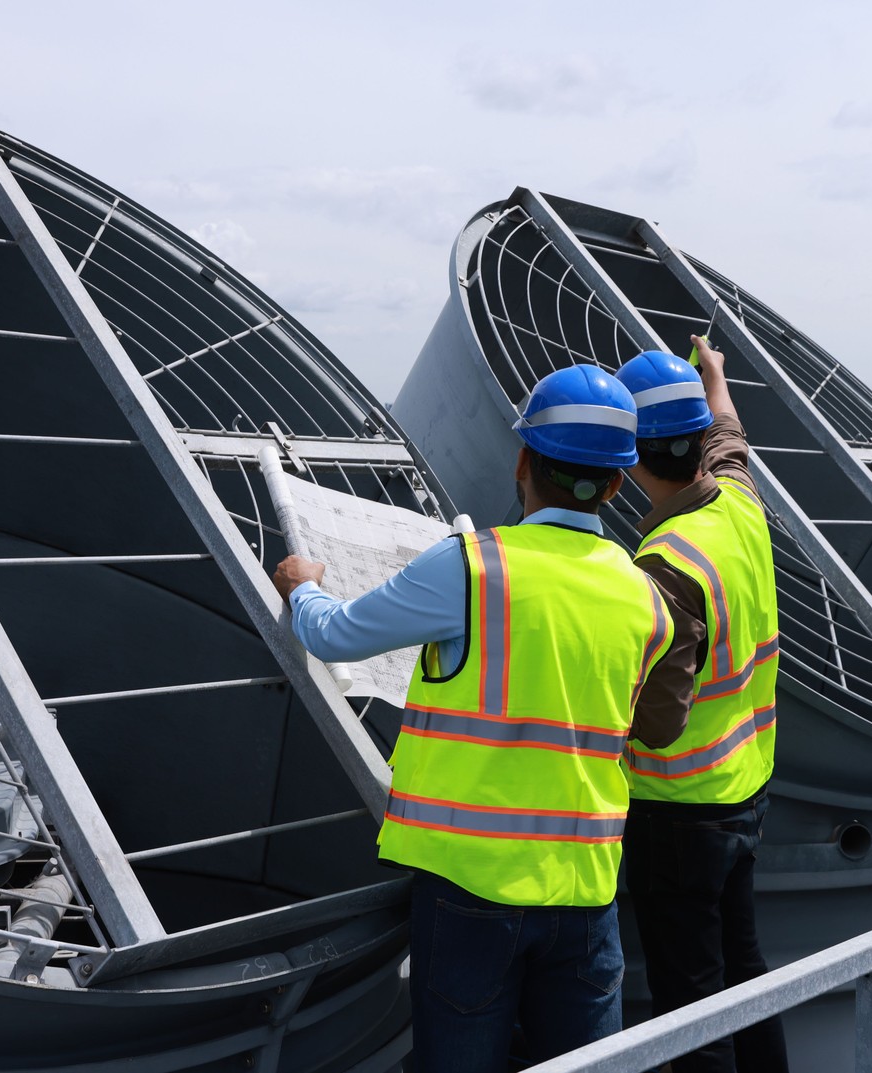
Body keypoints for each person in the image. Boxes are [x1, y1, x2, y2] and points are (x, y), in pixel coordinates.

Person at [270, 363, 700, 1072]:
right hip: (586, 893)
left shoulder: (471, 566)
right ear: (618, 482)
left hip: (469, 890)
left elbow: (334, 636)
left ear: (524, 460)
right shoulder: (646, 594)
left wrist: (302, 587)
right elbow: (653, 719)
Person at [614, 337, 788, 1073]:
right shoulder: (739, 503)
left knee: (689, 1002)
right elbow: (731, 436)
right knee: (743, 969)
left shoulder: (667, 563)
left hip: (678, 809)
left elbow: (657, 722)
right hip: (745, 788)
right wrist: (713, 373)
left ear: (629, 459)